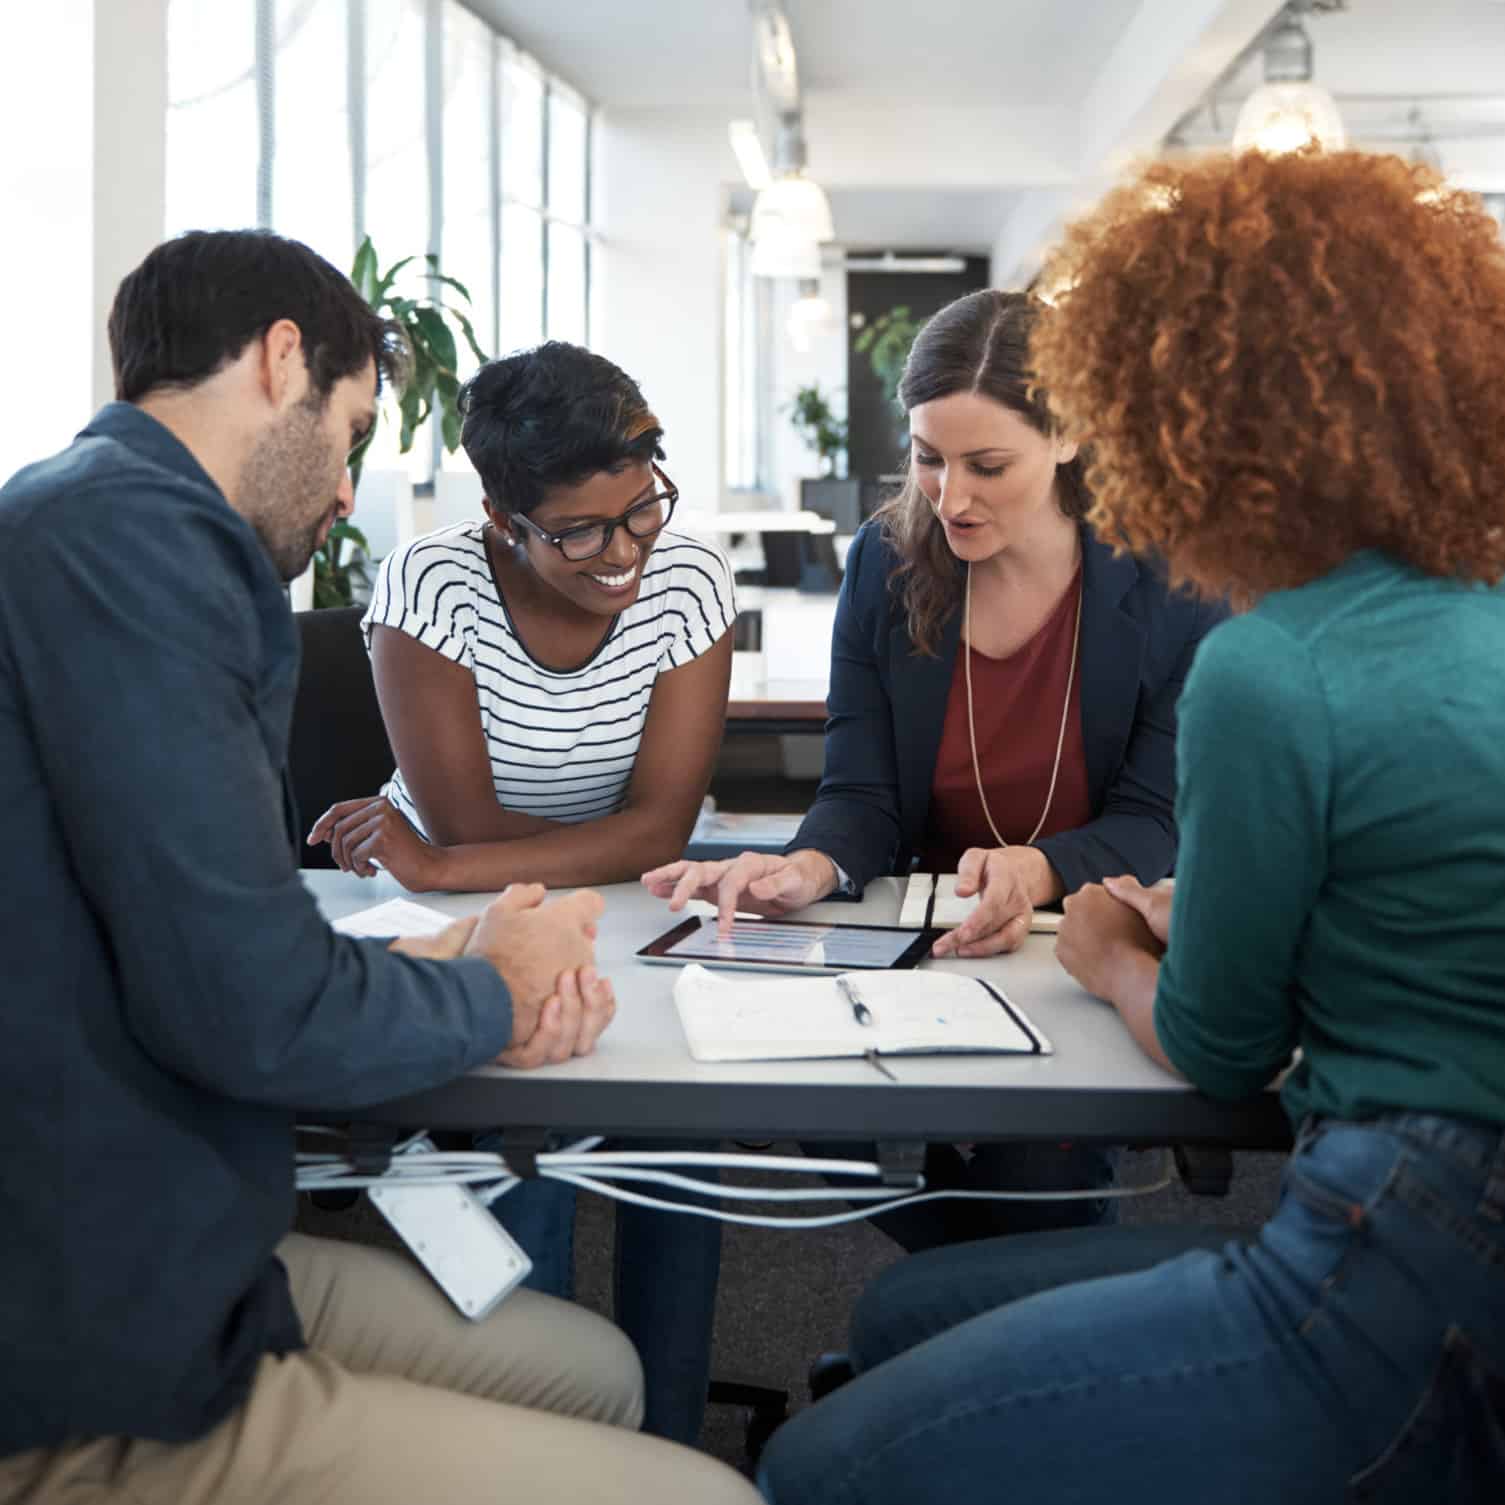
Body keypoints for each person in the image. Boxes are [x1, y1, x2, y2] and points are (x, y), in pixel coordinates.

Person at [756, 149, 1505, 1505]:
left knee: (815, 1466)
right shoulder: (1466, 619)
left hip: (1411, 1235)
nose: (950, 492)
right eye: (930, 461)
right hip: (1424, 1206)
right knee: (896, 1321)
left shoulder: (1271, 664)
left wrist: (1102, 931)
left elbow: (1217, 1038)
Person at [0, 228, 759, 1505]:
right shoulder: (146, 548)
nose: (348, 491)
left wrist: (458, 938)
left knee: (597, 1372)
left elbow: (205, 935)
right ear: (281, 359)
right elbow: (254, 1002)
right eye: (350, 432)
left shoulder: (81, 516)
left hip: (165, 1239)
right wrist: (495, 987)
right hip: (100, 1332)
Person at [646, 288, 1226, 1250]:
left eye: (986, 465)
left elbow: (1159, 818)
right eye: (926, 458)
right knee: (810, 1104)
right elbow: (859, 795)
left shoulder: (1170, 583)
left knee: (1034, 1166)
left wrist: (1037, 868)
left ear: (1069, 436)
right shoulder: (885, 559)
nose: (949, 497)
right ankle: (984, 1312)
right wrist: (809, 867)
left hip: (1070, 944)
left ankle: (974, 1319)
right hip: (915, 944)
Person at [309, 341, 736, 1445]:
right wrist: (462, 861)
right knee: (520, 1129)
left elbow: (661, 827)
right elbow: (471, 828)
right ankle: (524, 1443)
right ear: (503, 517)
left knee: (682, 1139)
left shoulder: (687, 575)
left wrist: (451, 859)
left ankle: (671, 1444)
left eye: (640, 510)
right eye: (580, 530)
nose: (622, 553)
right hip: (456, 924)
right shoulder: (432, 579)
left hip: (629, 910)